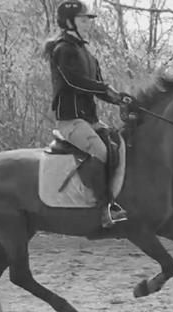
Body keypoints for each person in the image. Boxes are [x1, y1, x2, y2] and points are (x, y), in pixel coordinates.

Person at [43, 0, 132, 228]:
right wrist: (106, 89)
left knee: (118, 144)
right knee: (100, 151)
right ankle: (103, 209)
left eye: (88, 20)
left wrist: (118, 98)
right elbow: (74, 82)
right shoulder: (63, 50)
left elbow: (98, 87)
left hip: (89, 120)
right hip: (70, 121)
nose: (88, 23)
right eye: (83, 19)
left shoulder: (88, 54)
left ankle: (114, 199)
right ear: (69, 22)